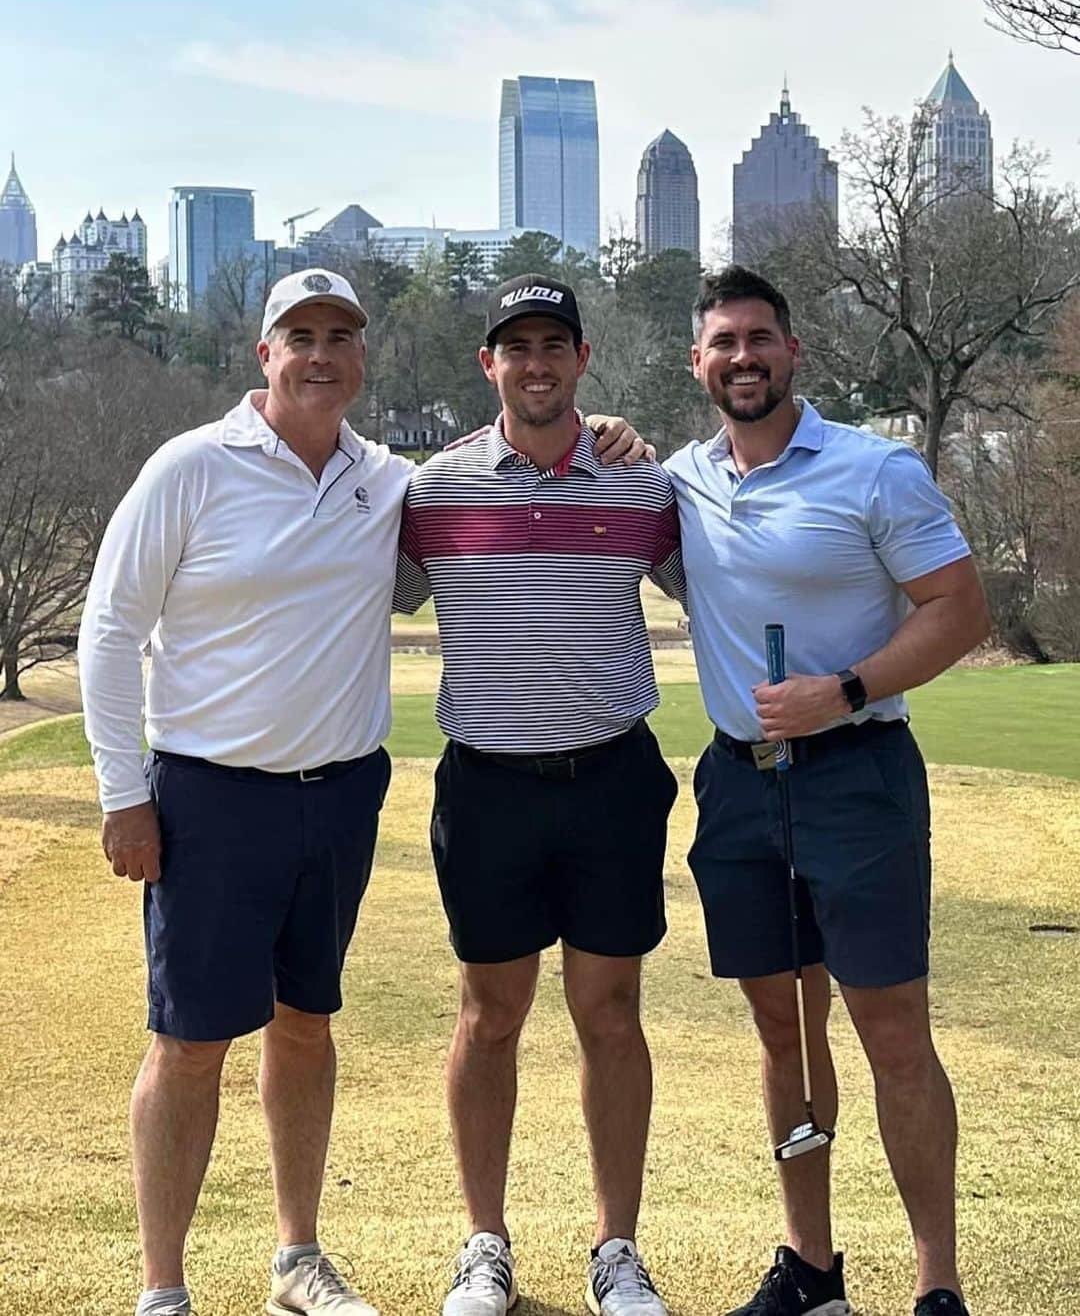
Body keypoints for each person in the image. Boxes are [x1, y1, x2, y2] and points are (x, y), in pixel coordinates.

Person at [77, 267, 645, 1316]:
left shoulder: (388, 481)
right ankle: (164, 1288)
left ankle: (298, 1259)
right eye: (301, 334)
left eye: (342, 334)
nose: (322, 351)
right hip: (208, 794)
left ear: (364, 357)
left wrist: (604, 430)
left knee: (306, 1025)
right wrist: (125, 795)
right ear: (265, 352)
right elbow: (110, 632)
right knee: (190, 1041)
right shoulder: (190, 469)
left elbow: (529, 455)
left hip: (338, 797)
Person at [663, 266, 990, 1316]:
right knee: (783, 1034)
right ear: (698, 362)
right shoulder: (681, 479)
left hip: (858, 780)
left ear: (792, 352)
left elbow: (958, 609)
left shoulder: (874, 471)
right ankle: (811, 1267)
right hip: (738, 785)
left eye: (761, 338)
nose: (743, 357)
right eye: (724, 342)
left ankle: (936, 1281)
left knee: (893, 1032)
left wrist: (844, 691)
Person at [394, 274, 685, 1316]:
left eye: (553, 344)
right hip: (488, 789)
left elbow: (721, 582)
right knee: (491, 1014)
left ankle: (617, 1247)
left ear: (582, 359)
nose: (535, 364)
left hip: (610, 778)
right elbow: (348, 587)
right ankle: (485, 1243)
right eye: (515, 347)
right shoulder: (435, 493)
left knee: (611, 1013)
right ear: (490, 366)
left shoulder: (639, 487)